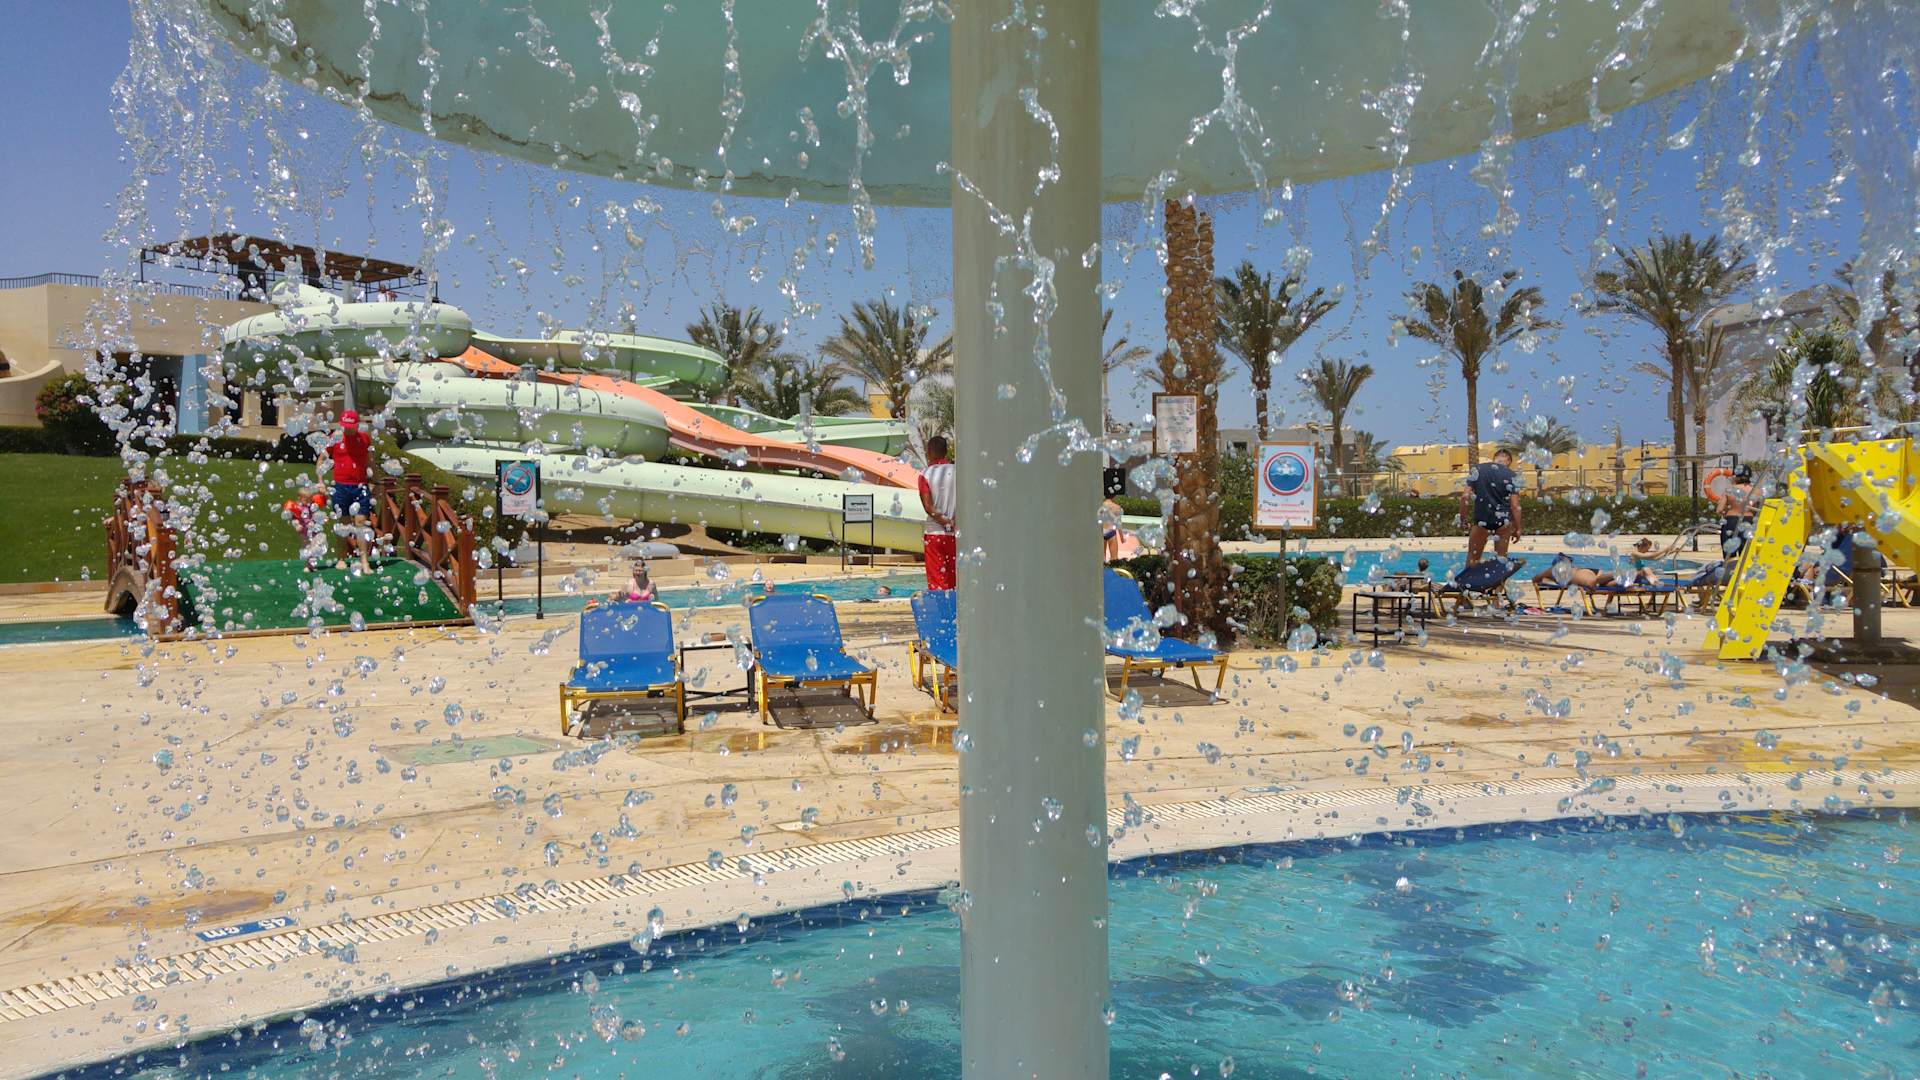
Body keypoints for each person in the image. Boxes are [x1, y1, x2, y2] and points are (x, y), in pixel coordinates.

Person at [319, 409, 375, 575]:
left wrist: (376, 481)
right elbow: (321, 459)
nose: (348, 429)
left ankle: (364, 561)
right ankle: (341, 558)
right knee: (343, 525)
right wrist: (320, 481)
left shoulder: (364, 438)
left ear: (357, 425)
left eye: (351, 427)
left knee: (361, 523)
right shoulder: (335, 438)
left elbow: (370, 461)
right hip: (341, 487)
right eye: (345, 426)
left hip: (360, 486)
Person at [1459, 449, 1522, 565]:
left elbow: (1464, 497)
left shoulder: (1477, 469)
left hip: (1481, 520)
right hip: (1503, 522)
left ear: (1495, 458)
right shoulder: (1512, 475)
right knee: (1500, 561)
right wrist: (1517, 528)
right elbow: (1515, 506)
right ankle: (1497, 576)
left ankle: (1470, 575)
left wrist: (1463, 519)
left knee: (1472, 559)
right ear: (1508, 461)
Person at [919, 435, 958, 590]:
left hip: (934, 534)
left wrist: (945, 522)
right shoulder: (958, 471)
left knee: (937, 582)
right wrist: (952, 523)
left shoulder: (925, 474)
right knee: (955, 580)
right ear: (946, 451)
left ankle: (940, 606)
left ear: (929, 451)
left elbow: (928, 507)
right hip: (956, 534)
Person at [1717, 464, 1757, 559]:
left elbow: (1719, 510)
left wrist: (1727, 511)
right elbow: (1759, 509)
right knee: (1746, 555)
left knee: (1729, 556)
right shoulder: (1756, 491)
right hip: (1748, 521)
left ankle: (1730, 568)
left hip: (1731, 521)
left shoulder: (1729, 490)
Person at [1099, 494, 1125, 562]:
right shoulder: (1117, 507)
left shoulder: (1100, 505)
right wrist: (1122, 538)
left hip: (1101, 532)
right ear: (1114, 496)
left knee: (1101, 560)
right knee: (1114, 559)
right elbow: (1118, 523)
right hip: (1111, 532)